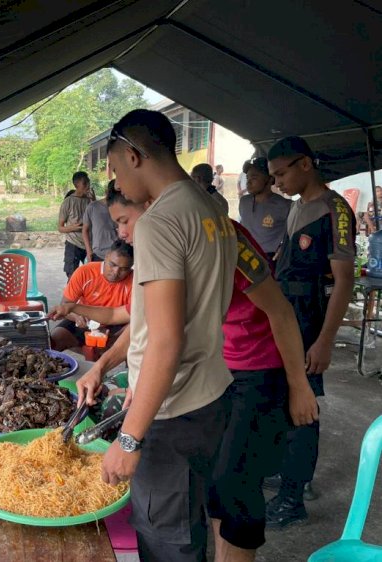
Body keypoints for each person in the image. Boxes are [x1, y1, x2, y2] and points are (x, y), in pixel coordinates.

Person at [66, 187, 318, 561]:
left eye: (123, 221)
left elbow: (280, 312)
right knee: (215, 488)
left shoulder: (221, 236)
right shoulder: (156, 249)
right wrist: (103, 366)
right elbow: (145, 325)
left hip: (255, 368)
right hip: (214, 371)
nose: (119, 233)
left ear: (152, 206)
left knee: (235, 491)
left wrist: (299, 385)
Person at [93, 109, 237, 561]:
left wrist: (130, 438)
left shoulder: (160, 223)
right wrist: (107, 363)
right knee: (190, 523)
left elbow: (166, 340)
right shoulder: (210, 207)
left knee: (167, 541)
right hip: (211, 397)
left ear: (134, 155)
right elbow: (168, 318)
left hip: (171, 413)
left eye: (115, 168)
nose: (116, 181)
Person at [265, 136, 355, 529]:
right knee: (283, 399)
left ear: (305, 164)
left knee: (304, 408)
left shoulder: (335, 210)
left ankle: (292, 499)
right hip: (286, 315)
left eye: (281, 173)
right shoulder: (298, 207)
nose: (277, 182)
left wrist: (325, 340)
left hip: (310, 319)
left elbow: (344, 281)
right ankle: (287, 474)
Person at [50, 239, 133, 351]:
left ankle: (128, 367)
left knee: (134, 344)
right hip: (85, 321)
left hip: (116, 325)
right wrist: (77, 317)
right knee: (54, 341)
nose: (116, 272)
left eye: (124, 269)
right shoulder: (85, 271)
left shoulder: (135, 281)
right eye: (112, 265)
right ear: (106, 256)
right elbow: (65, 305)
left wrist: (115, 339)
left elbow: (134, 320)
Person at [238, 157, 291, 261]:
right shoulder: (244, 202)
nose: (248, 182)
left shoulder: (284, 205)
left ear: (270, 179)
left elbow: (293, 234)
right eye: (247, 178)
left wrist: (283, 248)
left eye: (254, 178)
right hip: (245, 257)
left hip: (270, 259)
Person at [58, 171, 91, 278]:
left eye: (88, 182)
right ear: (77, 185)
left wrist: (94, 200)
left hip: (89, 244)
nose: (88, 185)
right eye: (85, 183)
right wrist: (74, 227)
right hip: (73, 244)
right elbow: (60, 228)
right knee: (72, 277)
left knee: (92, 276)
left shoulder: (90, 200)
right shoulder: (68, 202)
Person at [82, 180, 119, 261]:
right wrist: (89, 251)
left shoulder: (120, 208)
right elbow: (85, 230)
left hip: (117, 253)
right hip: (98, 254)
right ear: (106, 192)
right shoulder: (93, 207)